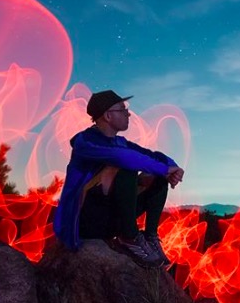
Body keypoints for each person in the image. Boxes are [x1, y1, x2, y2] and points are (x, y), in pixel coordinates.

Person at [53, 89, 185, 267]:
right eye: (122, 110)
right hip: (87, 222)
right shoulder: (85, 142)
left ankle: (150, 236)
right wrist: (164, 169)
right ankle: (129, 236)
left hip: (112, 217)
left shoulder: (120, 142)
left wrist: (172, 168)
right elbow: (123, 158)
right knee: (126, 166)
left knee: (157, 177)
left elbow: (152, 155)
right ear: (108, 115)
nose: (128, 113)